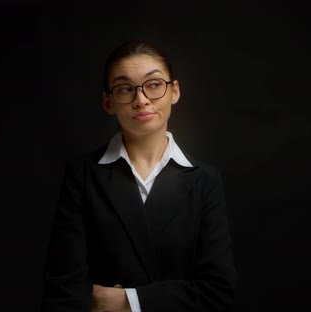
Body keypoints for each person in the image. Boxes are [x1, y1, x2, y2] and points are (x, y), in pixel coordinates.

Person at [41, 40, 237, 312]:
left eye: (154, 85)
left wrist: (126, 300)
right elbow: (63, 291)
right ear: (108, 102)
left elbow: (218, 294)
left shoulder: (204, 180)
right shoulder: (83, 174)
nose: (141, 99)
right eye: (125, 89)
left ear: (175, 91)